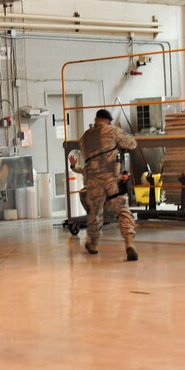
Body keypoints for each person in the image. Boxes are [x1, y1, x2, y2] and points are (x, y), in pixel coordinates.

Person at [69, 108, 139, 261]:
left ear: (96, 119)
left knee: (95, 211)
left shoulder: (85, 137)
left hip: (93, 182)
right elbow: (132, 143)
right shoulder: (112, 130)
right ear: (107, 120)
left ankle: (93, 244)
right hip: (112, 179)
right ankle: (129, 243)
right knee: (122, 209)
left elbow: (84, 151)